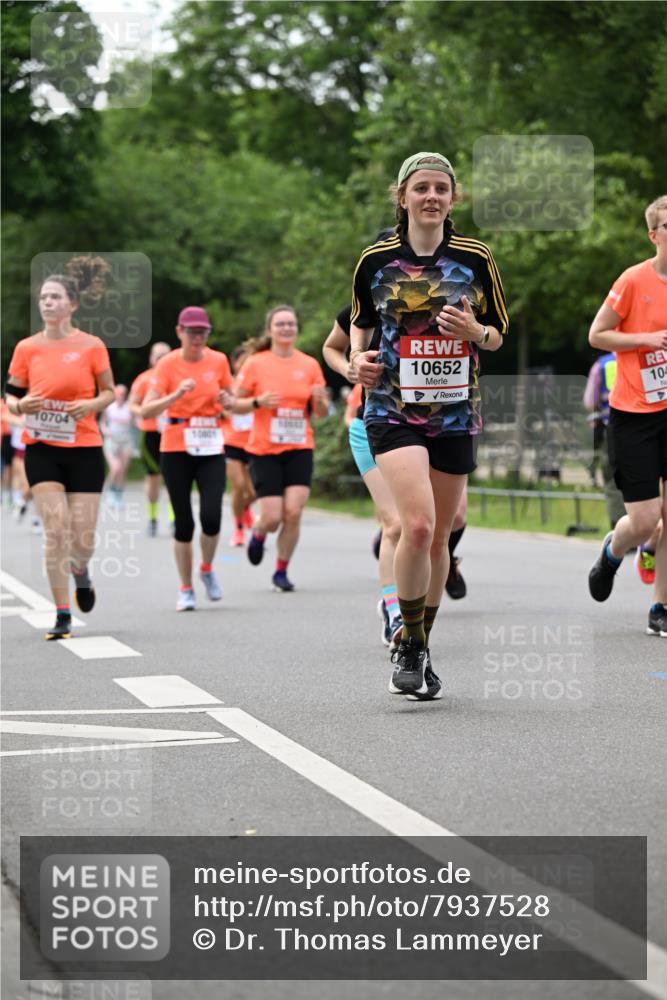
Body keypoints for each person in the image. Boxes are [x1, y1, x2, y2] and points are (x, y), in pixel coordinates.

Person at [350, 151, 508, 698]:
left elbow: (497, 336)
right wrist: (356, 363)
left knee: (441, 535)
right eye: (421, 188)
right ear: (403, 197)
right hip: (392, 410)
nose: (432, 197)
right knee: (416, 526)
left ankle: (418, 644)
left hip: (456, 412)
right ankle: (411, 644)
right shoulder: (375, 260)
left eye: (442, 188)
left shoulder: (476, 257)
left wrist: (473, 329)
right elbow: (359, 327)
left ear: (453, 198)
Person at [4, 256, 115, 639]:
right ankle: (62, 612)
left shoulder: (91, 346)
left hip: (83, 447)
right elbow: (11, 397)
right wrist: (21, 406)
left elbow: (111, 393)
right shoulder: (27, 348)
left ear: (72, 305)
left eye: (55, 297)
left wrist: (91, 405)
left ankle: (81, 571)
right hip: (42, 448)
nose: (47, 303)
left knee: (82, 540)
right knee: (56, 532)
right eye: (44, 298)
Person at [587, 195, 667, 637]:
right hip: (635, 412)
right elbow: (597, 334)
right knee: (644, 521)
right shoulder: (634, 280)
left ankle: (661, 607)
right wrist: (645, 340)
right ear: (654, 235)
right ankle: (614, 551)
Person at [141, 306, 232, 611]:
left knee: (211, 516)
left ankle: (206, 569)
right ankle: (185, 587)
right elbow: (146, 410)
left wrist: (228, 401)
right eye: (192, 332)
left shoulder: (218, 360)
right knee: (183, 523)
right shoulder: (166, 366)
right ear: (179, 332)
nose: (197, 338)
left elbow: (231, 400)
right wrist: (175, 395)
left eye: (202, 332)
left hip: (210, 445)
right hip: (176, 446)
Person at [234, 305, 329, 591]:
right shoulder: (255, 363)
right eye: (281, 324)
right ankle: (259, 533)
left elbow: (321, 413)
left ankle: (281, 571)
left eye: (291, 324)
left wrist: (320, 400)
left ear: (296, 328)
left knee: (294, 512)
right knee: (273, 516)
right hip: (264, 449)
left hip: (300, 446)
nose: (286, 328)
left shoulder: (309, 364)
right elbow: (233, 406)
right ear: (270, 330)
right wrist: (257, 402)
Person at [323, 305, 402, 644]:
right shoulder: (361, 306)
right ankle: (394, 609)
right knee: (395, 523)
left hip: (428, 427)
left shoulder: (439, 295)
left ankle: (415, 605)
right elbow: (330, 348)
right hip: (370, 425)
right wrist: (349, 370)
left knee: (425, 527)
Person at [129, 341, 172, 535]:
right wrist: (145, 412)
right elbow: (132, 404)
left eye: (166, 356)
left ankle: (175, 518)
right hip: (151, 432)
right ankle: (153, 517)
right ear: (151, 358)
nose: (162, 359)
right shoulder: (144, 379)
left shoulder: (178, 378)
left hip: (173, 431)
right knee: (154, 477)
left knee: (175, 477)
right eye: (158, 356)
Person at [583, 352, 626, 528]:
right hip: (642, 425)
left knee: (613, 480)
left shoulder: (601, 365)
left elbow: (589, 401)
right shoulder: (641, 355)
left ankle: (619, 528)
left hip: (611, 428)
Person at [222, 345, 256, 547]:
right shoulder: (229, 386)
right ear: (235, 364)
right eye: (243, 361)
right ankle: (238, 529)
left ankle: (245, 509)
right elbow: (224, 411)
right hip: (232, 441)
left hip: (254, 443)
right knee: (238, 487)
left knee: (253, 492)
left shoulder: (258, 386)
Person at [100, 384, 134, 507]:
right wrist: (106, 430)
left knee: (123, 470)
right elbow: (102, 423)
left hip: (125, 440)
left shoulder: (129, 408)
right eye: (119, 393)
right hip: (112, 440)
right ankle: (110, 491)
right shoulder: (109, 408)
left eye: (123, 394)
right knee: (115, 468)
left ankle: (118, 495)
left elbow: (135, 422)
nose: (121, 396)